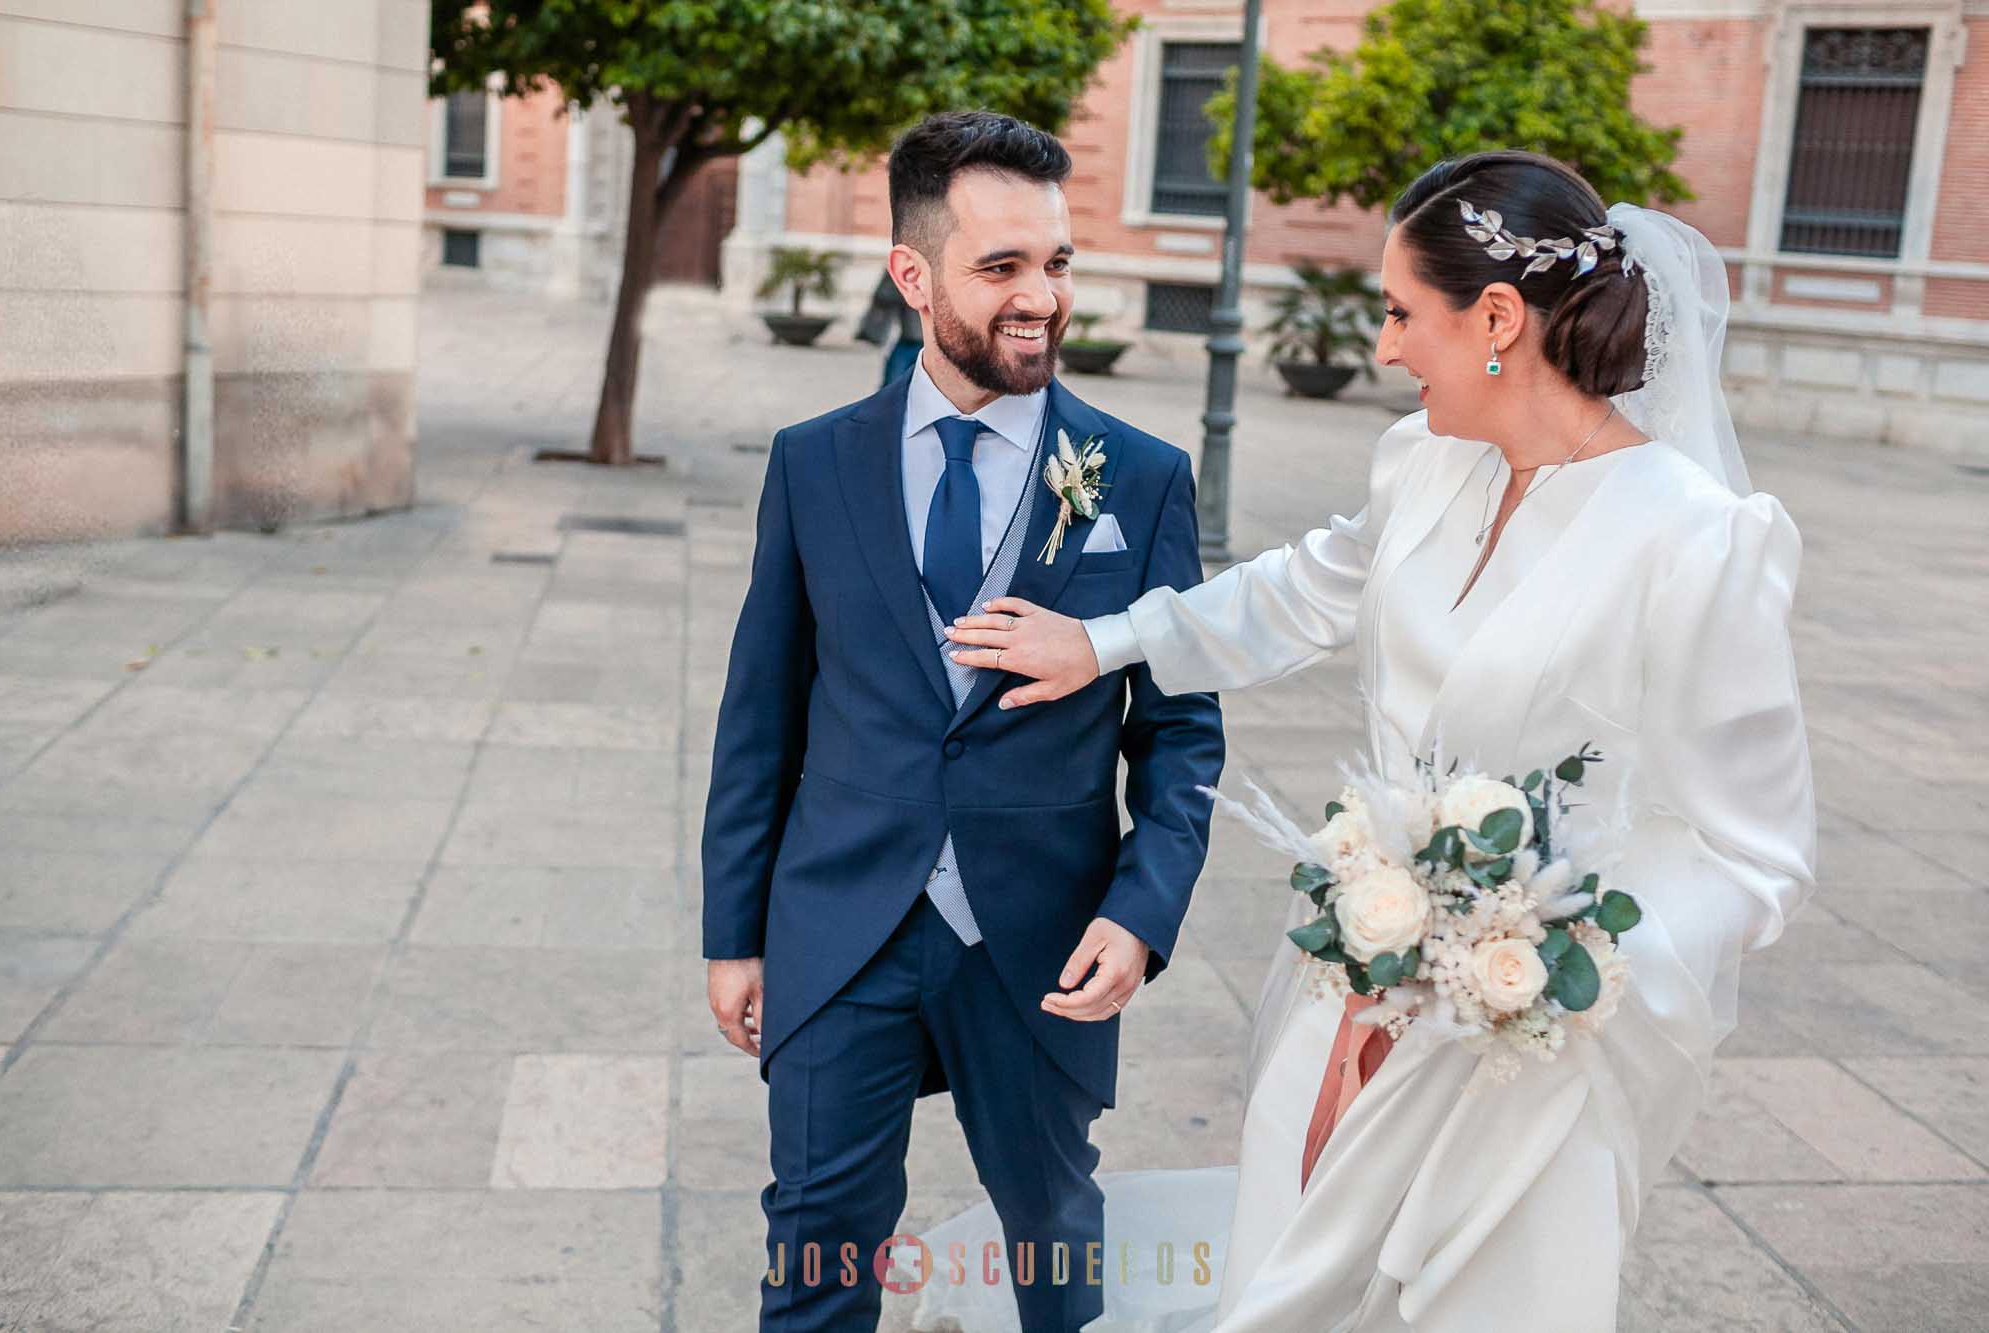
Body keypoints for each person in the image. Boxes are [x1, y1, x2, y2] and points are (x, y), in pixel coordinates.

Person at [932, 150, 1816, 1330]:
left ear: (1495, 317)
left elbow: (1752, 856)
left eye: (1401, 313)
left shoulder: (1700, 540)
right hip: (1346, 975)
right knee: (1287, 1268)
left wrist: (1535, 957)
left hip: (1521, 1039)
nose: (1386, 348)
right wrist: (1101, 643)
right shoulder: (1422, 462)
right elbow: (1298, 591)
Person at [700, 110, 1225, 1333]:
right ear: (912, 275)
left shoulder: (1136, 476)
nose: (1040, 297)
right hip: (840, 924)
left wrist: (1139, 915)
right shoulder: (813, 463)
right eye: (1001, 269)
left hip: (1039, 937)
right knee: (815, 1247)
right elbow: (760, 715)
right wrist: (735, 930)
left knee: (1050, 1239)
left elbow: (1180, 733)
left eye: (1056, 263)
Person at [856, 266, 927, 386]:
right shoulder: (906, 265)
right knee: (891, 387)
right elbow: (883, 295)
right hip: (911, 338)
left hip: (928, 341)